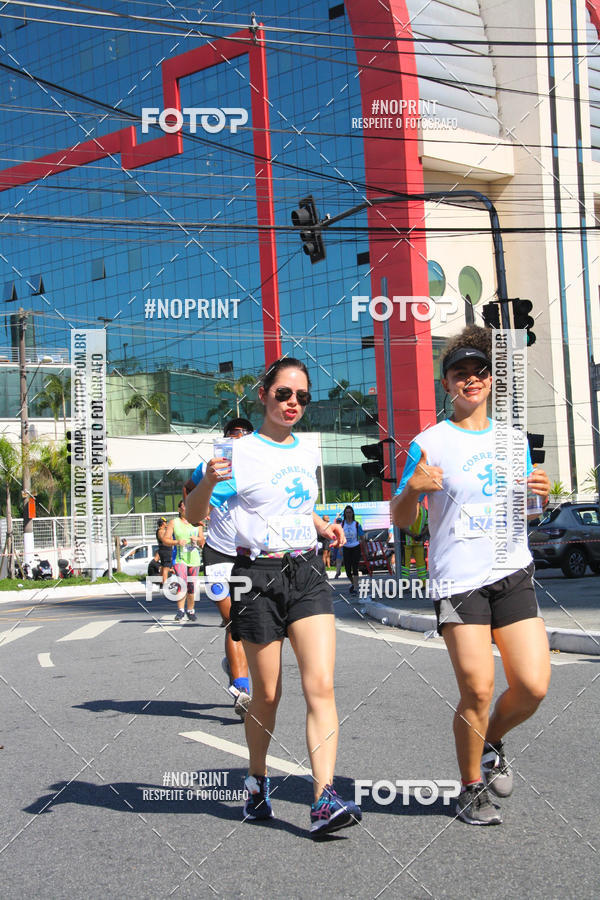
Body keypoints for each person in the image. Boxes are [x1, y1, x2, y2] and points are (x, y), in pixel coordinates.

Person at [186, 357, 362, 837]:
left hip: (305, 570)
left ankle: (323, 798)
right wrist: (206, 481)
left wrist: (323, 525)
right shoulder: (235, 453)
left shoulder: (307, 451)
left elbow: (299, 507)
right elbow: (194, 514)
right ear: (263, 394)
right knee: (267, 693)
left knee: (320, 685)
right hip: (255, 574)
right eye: (284, 394)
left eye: (302, 397)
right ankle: (257, 779)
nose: (293, 404)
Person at [391, 325, 551, 826]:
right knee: (478, 688)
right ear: (447, 384)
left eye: (479, 372)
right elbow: (402, 521)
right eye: (460, 374)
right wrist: (413, 490)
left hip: (511, 571)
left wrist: (539, 496)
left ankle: (491, 740)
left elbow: (525, 510)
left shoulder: (513, 440)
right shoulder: (428, 443)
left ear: (490, 381)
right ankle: (469, 788)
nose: (471, 381)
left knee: (532, 685)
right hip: (458, 580)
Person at [183, 417, 254, 719]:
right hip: (217, 553)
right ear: (225, 439)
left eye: (244, 435)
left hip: (248, 557)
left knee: (245, 623)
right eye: (233, 435)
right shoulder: (209, 468)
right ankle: (241, 688)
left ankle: (234, 666)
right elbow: (188, 490)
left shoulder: (259, 466)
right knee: (232, 619)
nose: (238, 439)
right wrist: (199, 506)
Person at [162, 500, 204, 622]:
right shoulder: (174, 522)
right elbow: (165, 540)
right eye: (184, 506)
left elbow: (203, 542)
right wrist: (177, 542)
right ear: (180, 509)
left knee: (191, 585)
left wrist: (197, 539)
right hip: (180, 557)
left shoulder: (198, 523)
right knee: (182, 581)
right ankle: (180, 610)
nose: (187, 508)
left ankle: (190, 610)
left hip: (194, 558)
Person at [401, 504, 428, 584]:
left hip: (406, 542)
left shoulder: (405, 509)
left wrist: (412, 535)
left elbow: (402, 526)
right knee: (421, 564)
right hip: (419, 541)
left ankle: (404, 584)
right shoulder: (424, 511)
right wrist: (421, 535)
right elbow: (427, 525)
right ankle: (423, 583)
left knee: (405, 565)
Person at [341, 505, 364, 594]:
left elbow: (362, 537)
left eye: (350, 512)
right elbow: (339, 537)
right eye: (347, 512)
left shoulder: (357, 524)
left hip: (355, 547)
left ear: (352, 513)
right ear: (345, 514)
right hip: (346, 547)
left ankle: (355, 588)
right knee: (347, 570)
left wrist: (364, 548)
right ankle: (354, 583)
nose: (348, 514)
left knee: (355, 568)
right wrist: (339, 548)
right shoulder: (342, 524)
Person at [155, 516, 172, 585]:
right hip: (165, 550)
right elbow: (165, 540)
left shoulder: (160, 530)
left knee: (163, 566)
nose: (166, 524)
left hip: (164, 550)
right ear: (162, 523)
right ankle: (165, 584)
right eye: (165, 522)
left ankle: (161, 582)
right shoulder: (161, 531)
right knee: (166, 568)